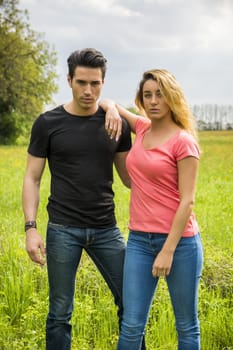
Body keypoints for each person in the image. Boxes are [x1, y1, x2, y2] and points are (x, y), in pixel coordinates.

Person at [22, 48, 133, 350]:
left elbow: (129, 178)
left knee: (131, 304)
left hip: (106, 229)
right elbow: (32, 178)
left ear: (103, 83)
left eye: (95, 84)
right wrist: (30, 228)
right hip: (62, 230)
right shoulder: (48, 123)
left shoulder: (115, 124)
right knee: (60, 313)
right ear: (69, 80)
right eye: (81, 82)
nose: (88, 90)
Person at [101, 69, 204, 349]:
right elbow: (110, 104)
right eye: (147, 95)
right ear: (141, 99)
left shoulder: (183, 142)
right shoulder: (143, 128)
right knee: (132, 325)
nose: (154, 100)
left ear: (172, 97)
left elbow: (188, 201)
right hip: (139, 242)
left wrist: (167, 250)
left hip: (180, 244)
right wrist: (110, 107)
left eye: (160, 94)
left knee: (186, 326)